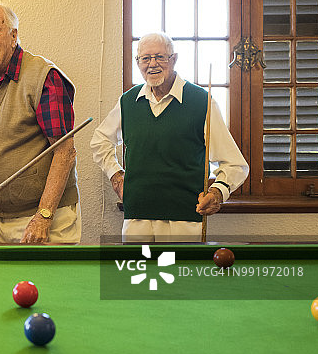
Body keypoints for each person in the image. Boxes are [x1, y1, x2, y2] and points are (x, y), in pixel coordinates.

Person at [89, 31, 249, 242]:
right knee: (139, 265)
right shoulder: (127, 102)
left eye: (160, 57)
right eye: (145, 58)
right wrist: (116, 175)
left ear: (174, 59)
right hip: (137, 217)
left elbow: (235, 164)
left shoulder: (202, 101)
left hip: (184, 219)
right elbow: (100, 141)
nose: (152, 64)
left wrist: (218, 192)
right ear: (138, 63)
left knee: (178, 265)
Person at [0, 3, 80, 244]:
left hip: (43, 220)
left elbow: (65, 151)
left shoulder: (45, 77)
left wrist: (44, 216)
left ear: (13, 37)